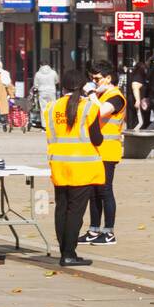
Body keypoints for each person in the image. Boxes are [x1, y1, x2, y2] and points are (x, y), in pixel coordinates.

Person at [42, 68, 104, 268]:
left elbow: (50, 135)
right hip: (83, 166)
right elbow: (97, 138)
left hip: (59, 164)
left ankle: (64, 250)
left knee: (62, 208)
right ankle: (69, 254)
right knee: (75, 211)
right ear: (83, 85)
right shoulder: (88, 107)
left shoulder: (51, 107)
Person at [79, 61, 127, 246]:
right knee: (93, 191)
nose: (94, 82)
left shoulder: (116, 97)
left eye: (97, 79)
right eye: (92, 78)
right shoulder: (104, 94)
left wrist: (91, 94)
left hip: (108, 150)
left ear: (108, 78)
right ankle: (94, 229)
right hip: (95, 149)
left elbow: (101, 112)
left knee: (105, 190)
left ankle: (109, 232)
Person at [129, 58, 150, 131]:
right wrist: (137, 100)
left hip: (138, 101)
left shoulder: (137, 76)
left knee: (138, 121)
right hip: (137, 102)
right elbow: (135, 87)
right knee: (139, 122)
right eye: (145, 68)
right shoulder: (138, 76)